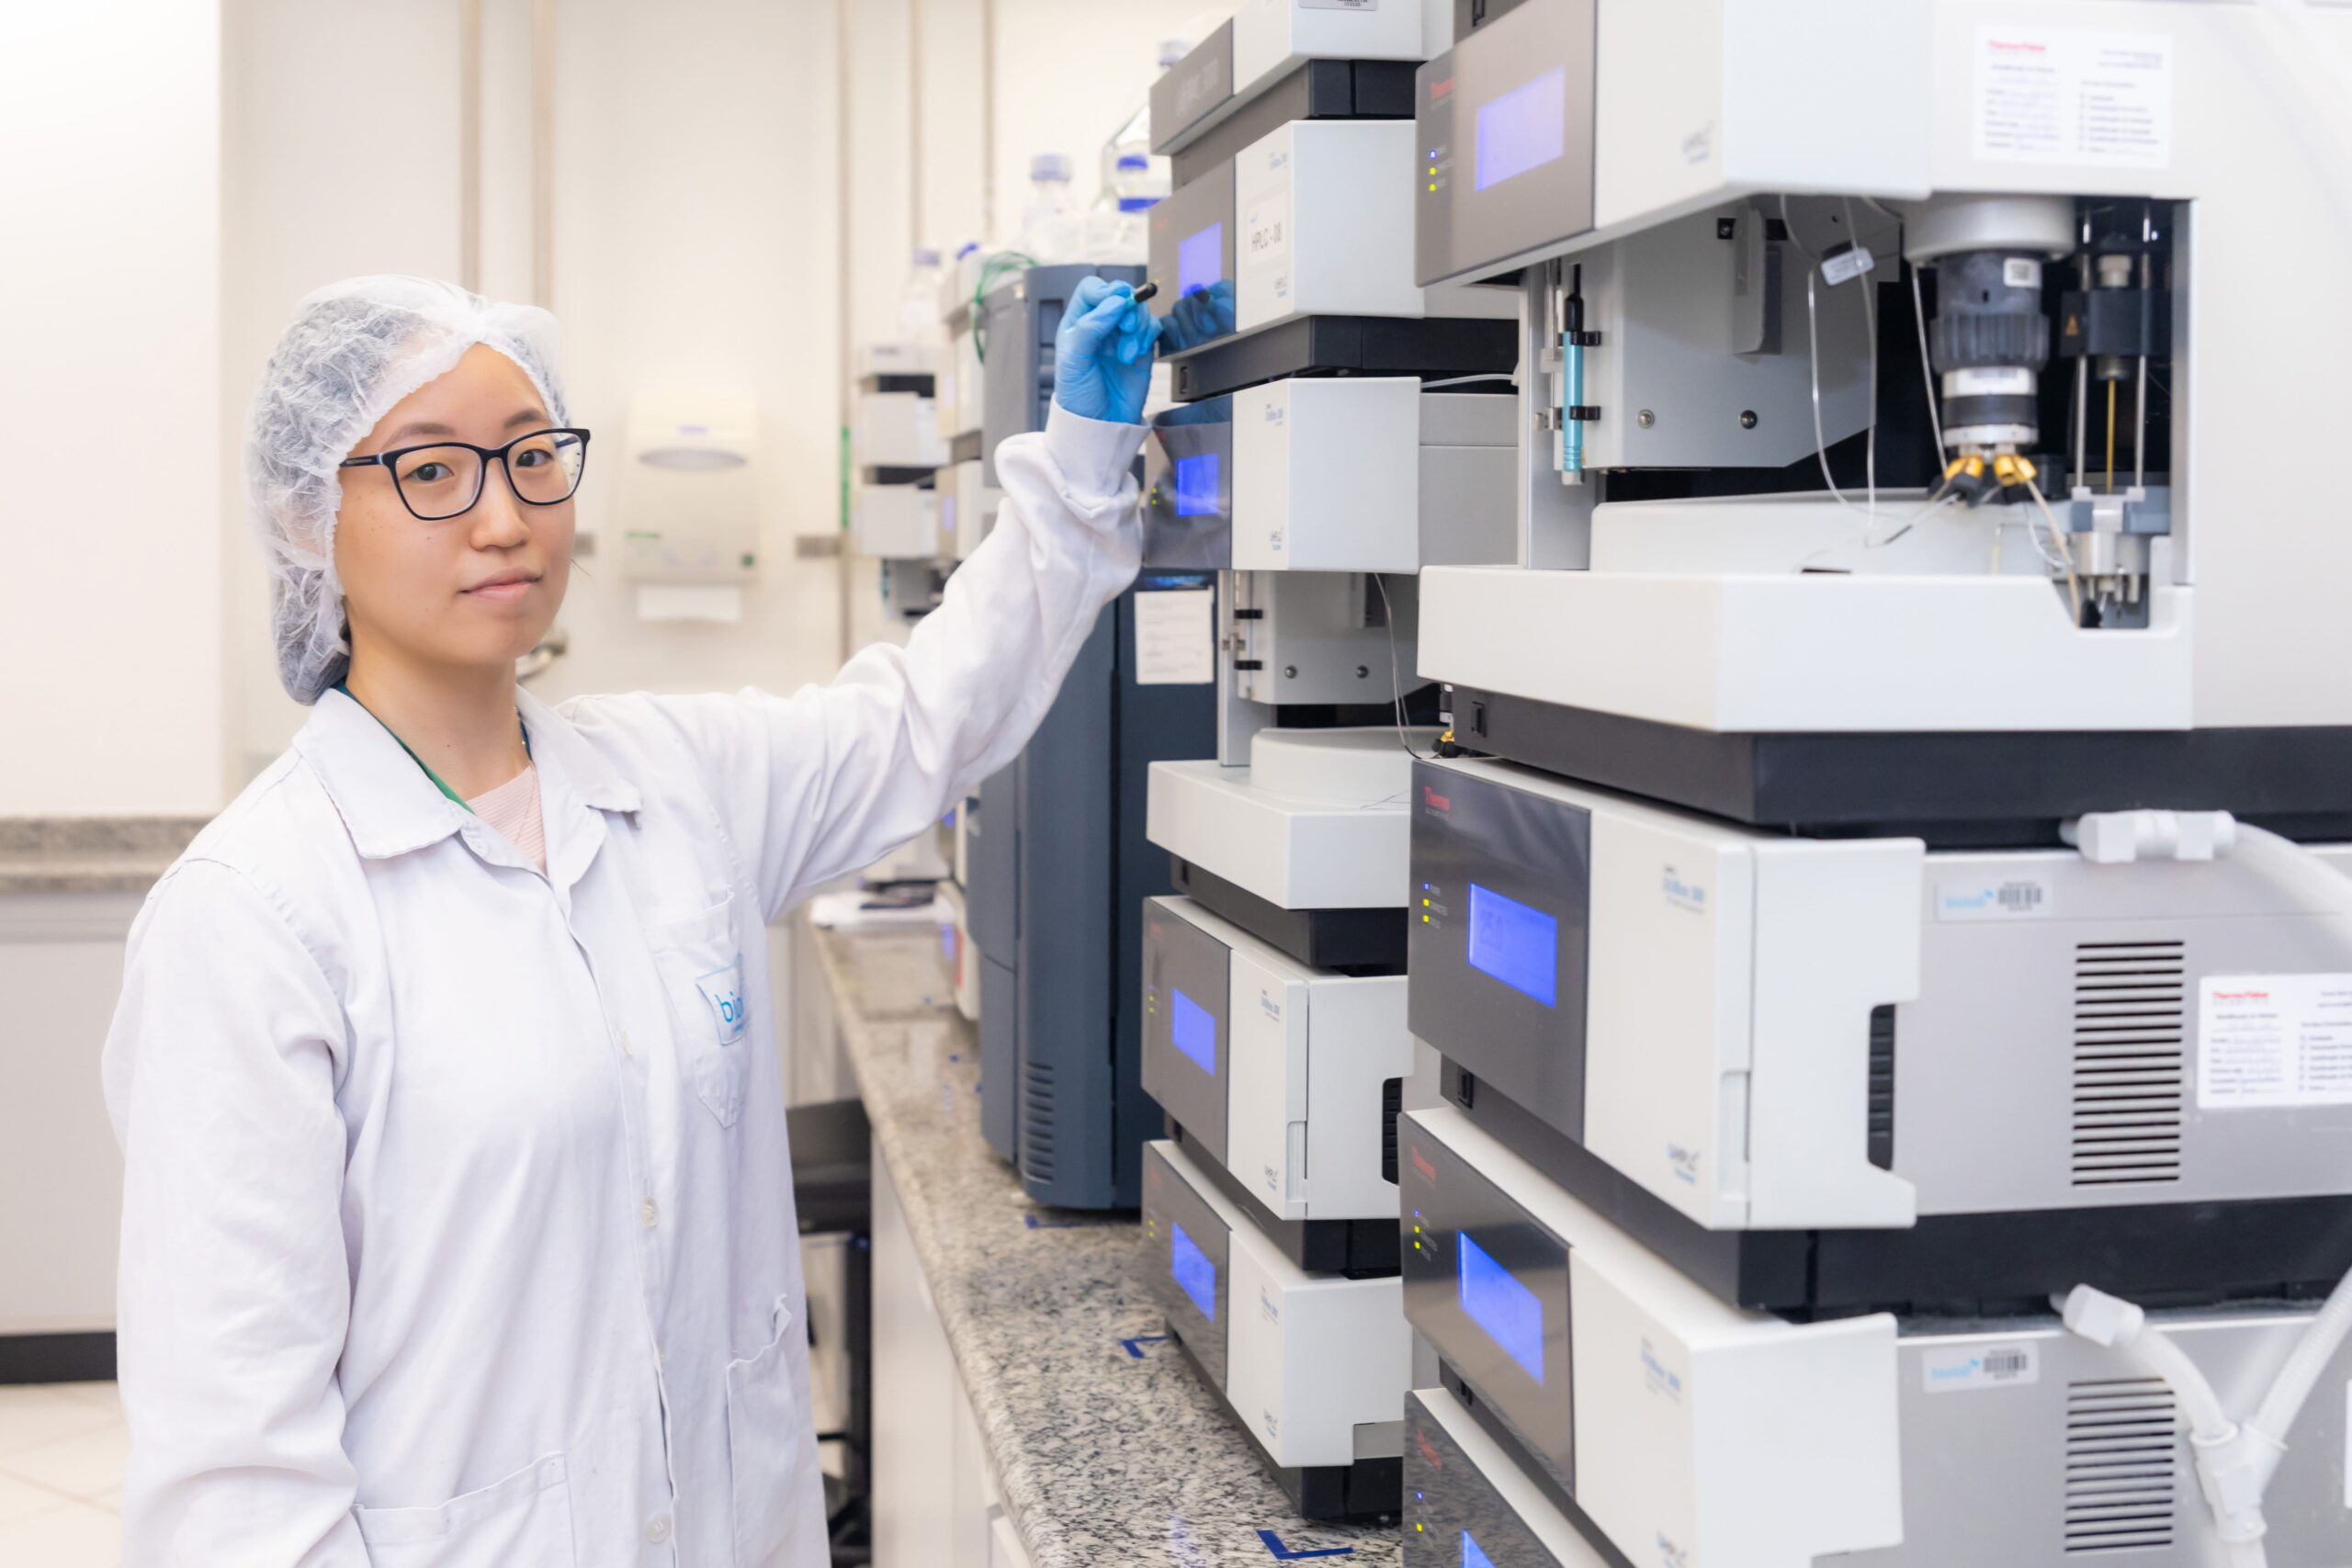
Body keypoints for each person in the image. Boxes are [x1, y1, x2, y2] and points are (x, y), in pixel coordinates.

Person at [101, 272, 1161, 1566]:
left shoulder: (673, 784)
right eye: (432, 471)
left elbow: (930, 715)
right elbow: (235, 1486)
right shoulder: (253, 917)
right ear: (304, 514)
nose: (504, 518)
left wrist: (1079, 459)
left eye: (532, 457)